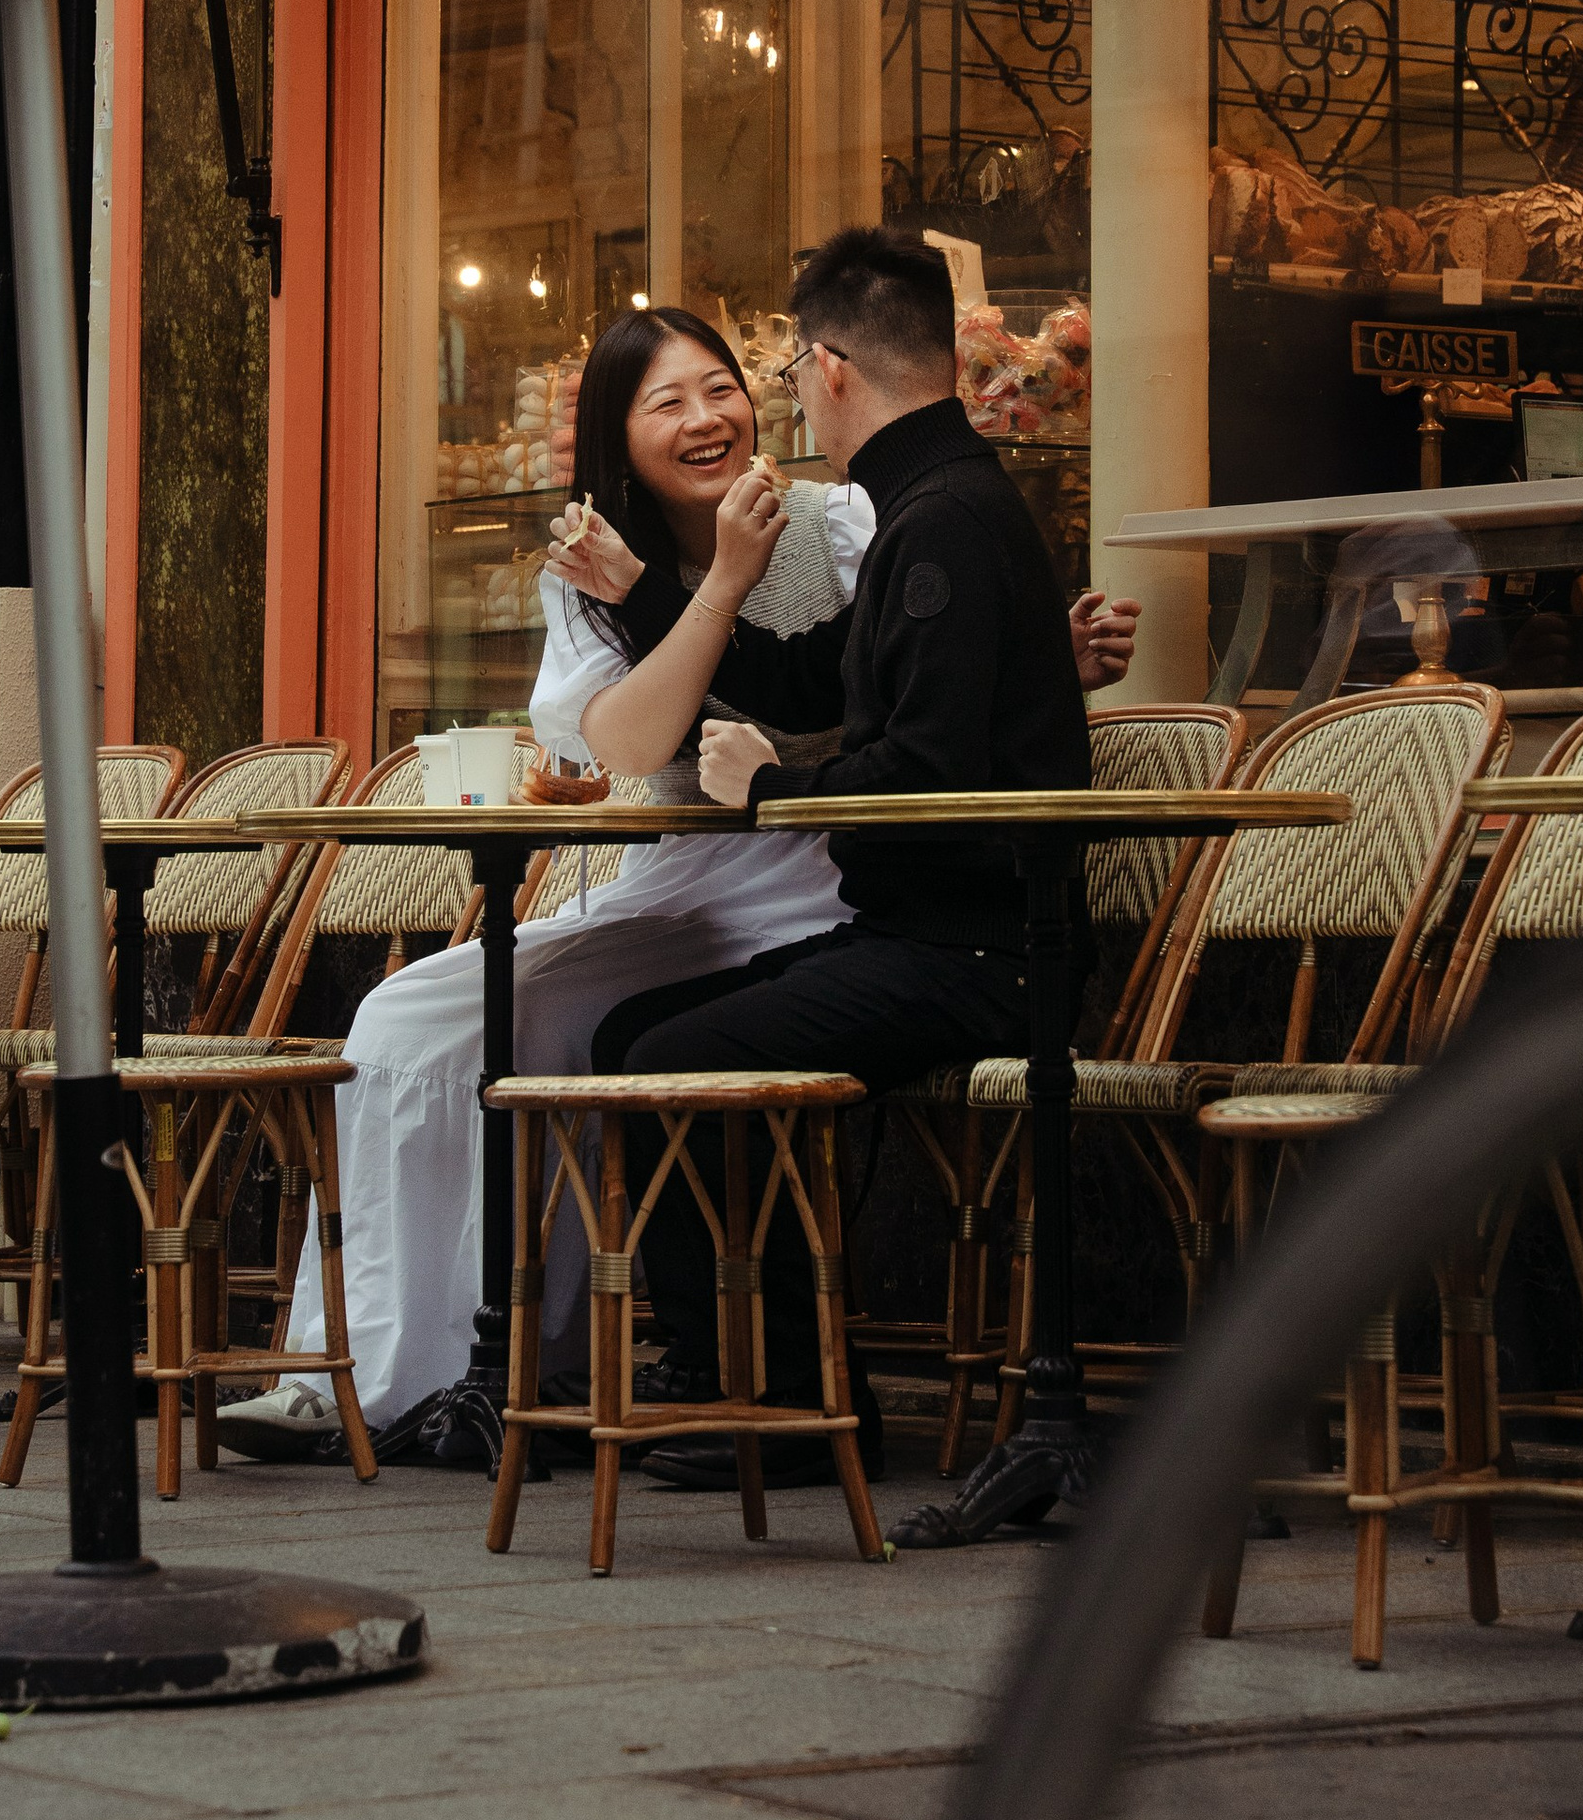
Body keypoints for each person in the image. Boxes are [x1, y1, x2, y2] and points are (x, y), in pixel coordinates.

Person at [220, 305, 862, 1458]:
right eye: (666, 402)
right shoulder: (586, 565)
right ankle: (366, 1371)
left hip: (815, 872)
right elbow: (627, 746)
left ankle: (516, 1355)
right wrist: (686, 587)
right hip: (674, 877)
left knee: (546, 1015)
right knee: (408, 1016)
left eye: (719, 388)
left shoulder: (836, 522)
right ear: (617, 434)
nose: (705, 418)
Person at [569, 226, 1125, 1491]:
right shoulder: (941, 505)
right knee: (633, 1035)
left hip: (981, 957)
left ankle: (789, 1401)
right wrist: (650, 597)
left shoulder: (943, 521)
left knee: (671, 1054)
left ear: (825, 367)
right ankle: (759, 1381)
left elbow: (928, 775)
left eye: (770, 376)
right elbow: (806, 671)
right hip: (932, 940)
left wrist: (771, 785)